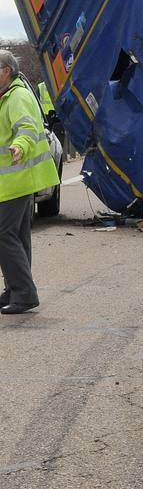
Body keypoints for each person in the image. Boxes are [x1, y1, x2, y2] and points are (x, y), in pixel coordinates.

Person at [0, 51, 61, 315]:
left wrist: (18, 147)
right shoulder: (6, 97)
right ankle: (16, 290)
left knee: (4, 234)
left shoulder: (18, 97)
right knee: (18, 236)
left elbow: (26, 129)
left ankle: (24, 293)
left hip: (18, 179)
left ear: (6, 71)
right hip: (15, 181)